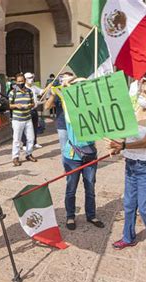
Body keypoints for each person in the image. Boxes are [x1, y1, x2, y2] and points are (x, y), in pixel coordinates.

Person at [106, 76, 146, 258]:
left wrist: (124, 146)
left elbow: (145, 141)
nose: (141, 95)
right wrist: (118, 145)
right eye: (141, 91)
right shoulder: (136, 110)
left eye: (145, 92)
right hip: (131, 163)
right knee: (128, 204)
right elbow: (128, 135)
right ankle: (128, 237)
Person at [60, 77, 105, 231]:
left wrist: (85, 80)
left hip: (90, 154)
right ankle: (70, 216)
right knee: (71, 187)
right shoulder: (70, 110)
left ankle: (91, 215)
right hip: (72, 156)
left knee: (90, 187)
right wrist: (70, 82)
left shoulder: (94, 109)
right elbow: (64, 92)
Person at [9, 73, 37, 166]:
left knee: (31, 138)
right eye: (18, 81)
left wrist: (30, 105)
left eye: (22, 81)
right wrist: (16, 105)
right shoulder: (13, 92)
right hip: (17, 119)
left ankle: (28, 154)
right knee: (17, 140)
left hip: (28, 118)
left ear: (24, 81)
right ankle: (15, 157)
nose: (20, 83)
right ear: (16, 82)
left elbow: (33, 103)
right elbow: (8, 105)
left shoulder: (29, 91)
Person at [44, 72, 75, 155]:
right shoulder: (59, 93)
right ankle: (67, 166)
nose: (66, 81)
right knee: (64, 149)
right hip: (62, 125)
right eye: (64, 79)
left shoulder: (76, 92)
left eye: (69, 79)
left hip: (75, 125)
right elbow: (47, 107)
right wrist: (53, 95)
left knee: (77, 148)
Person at [22, 72, 46, 149]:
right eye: (29, 78)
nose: (31, 79)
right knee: (26, 128)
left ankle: (34, 142)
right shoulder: (22, 88)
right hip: (26, 111)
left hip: (34, 110)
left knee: (35, 127)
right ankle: (25, 144)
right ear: (25, 79)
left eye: (32, 77)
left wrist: (49, 86)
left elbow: (42, 91)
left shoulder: (34, 87)